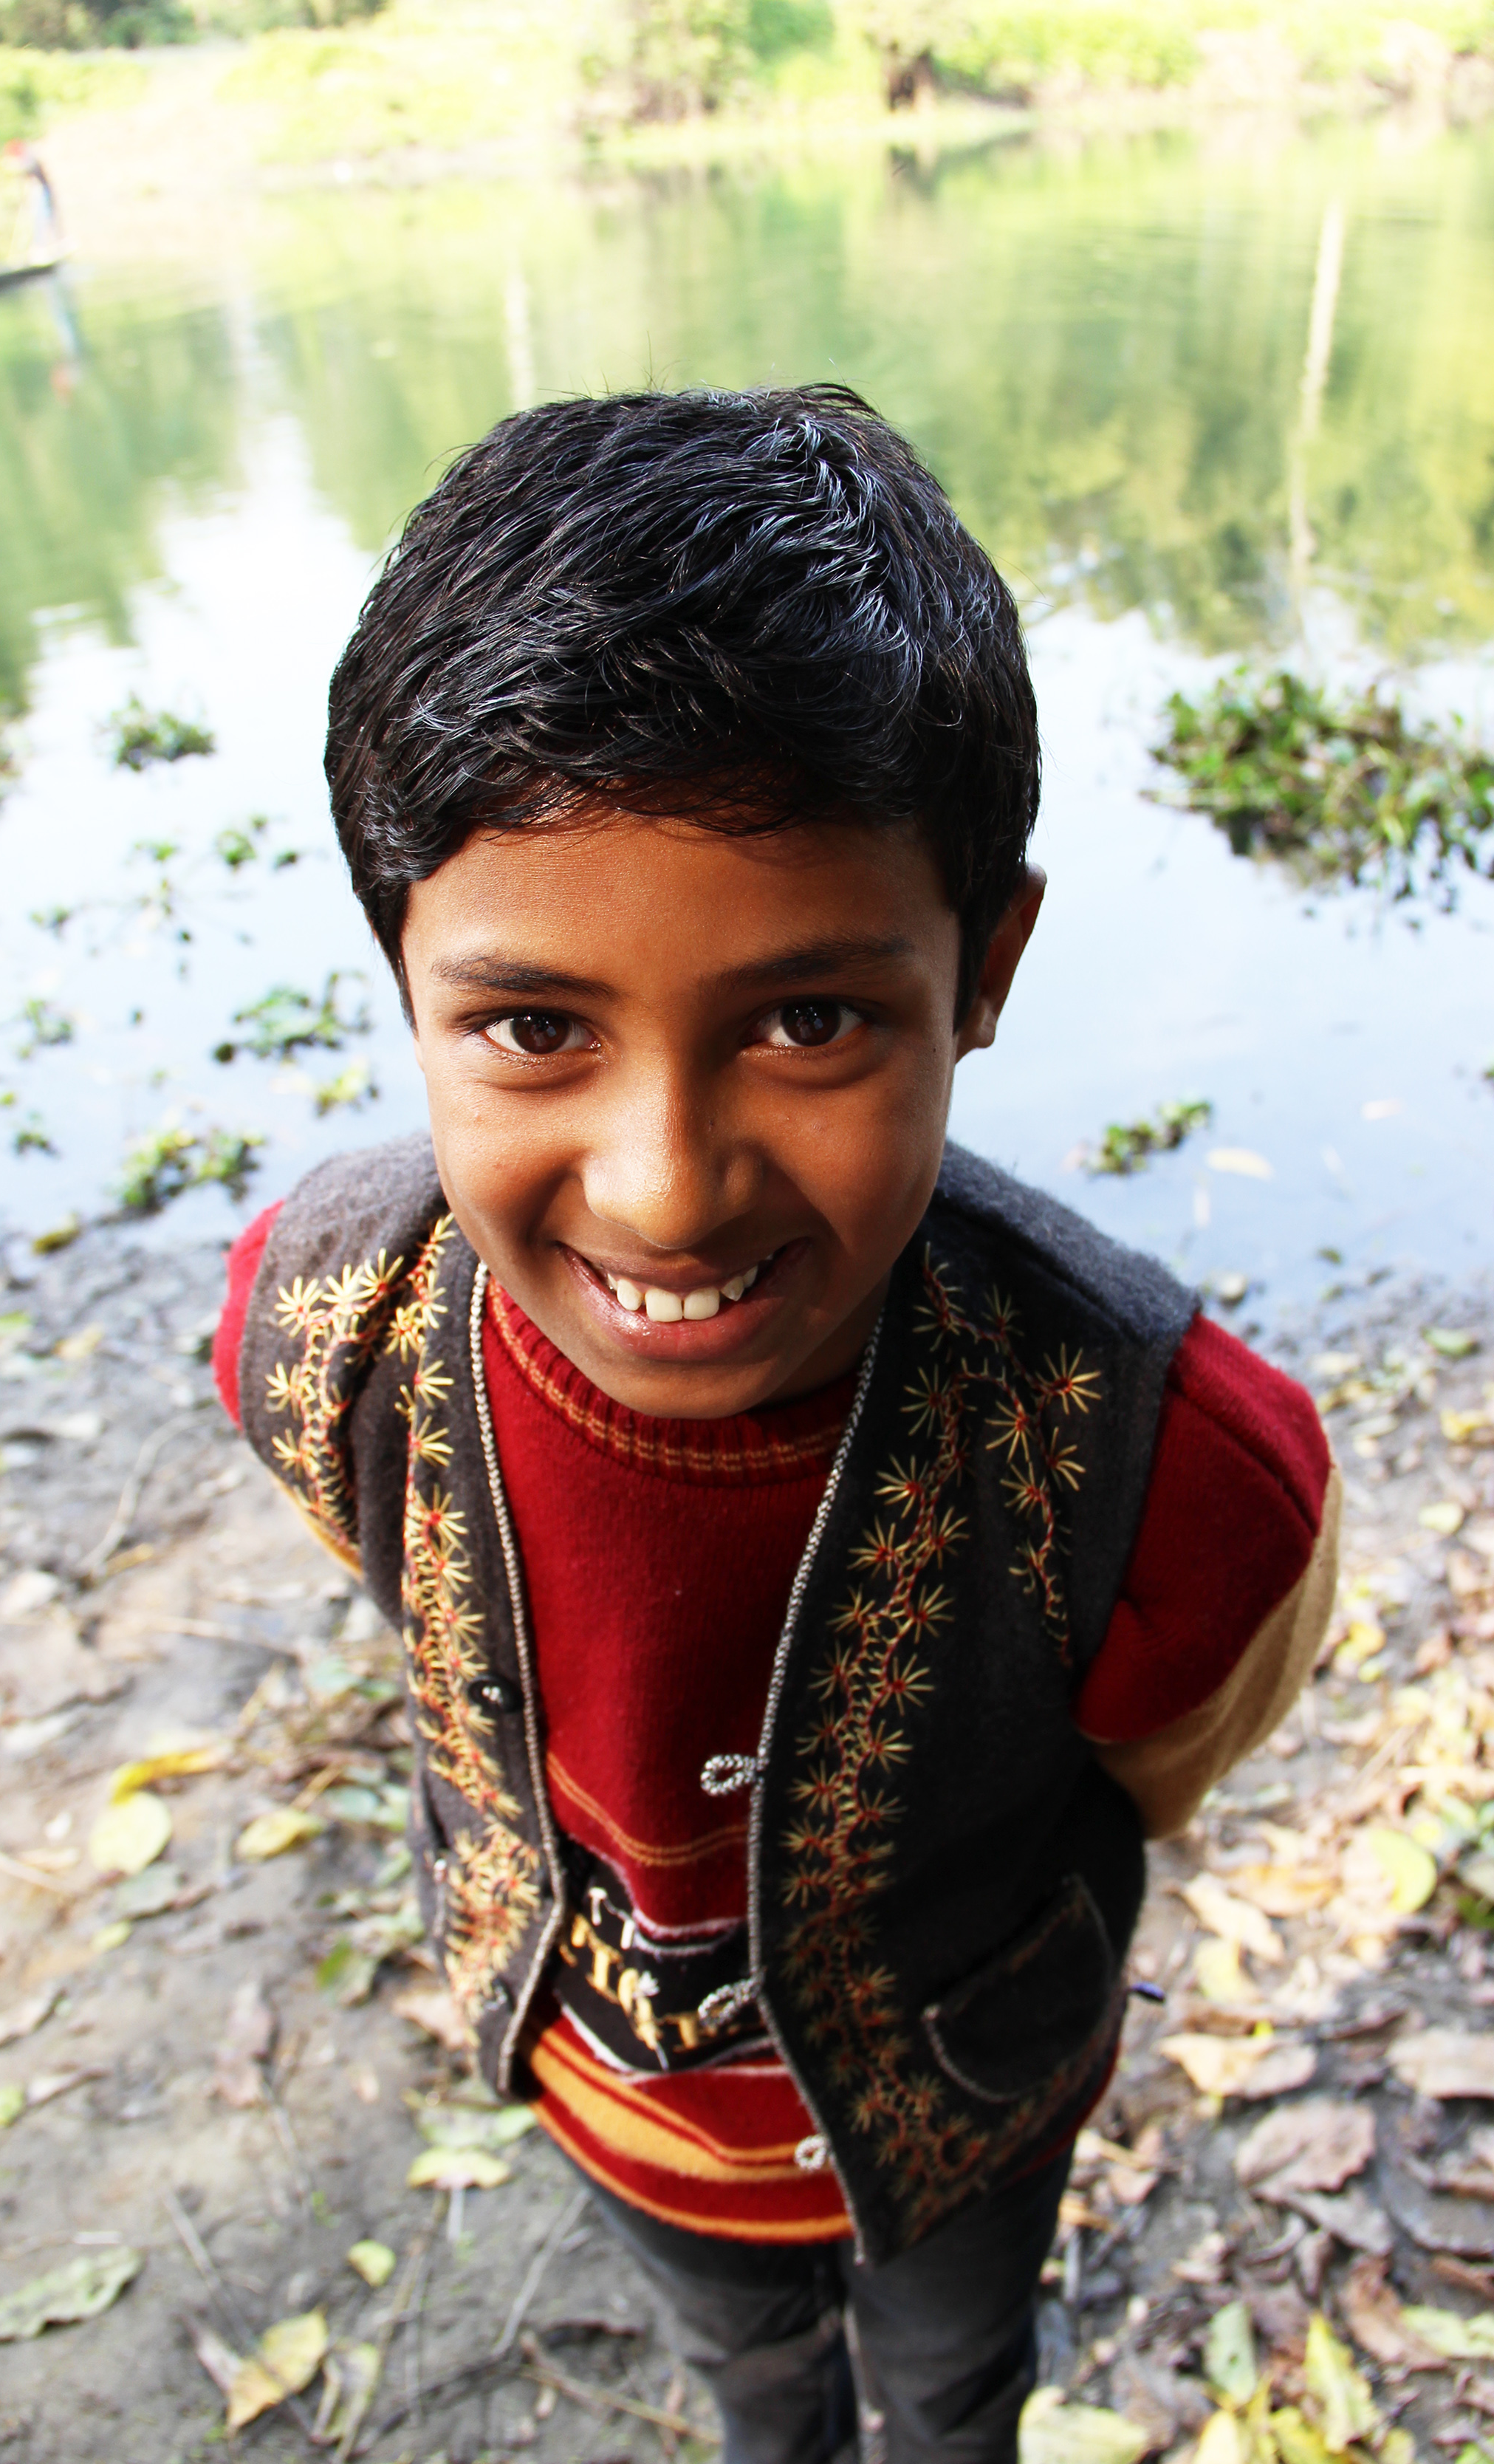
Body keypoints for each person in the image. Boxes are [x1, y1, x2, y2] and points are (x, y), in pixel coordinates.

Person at [213, 386, 1338, 2464]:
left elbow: (1163, 1750)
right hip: (604, 2089)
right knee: (750, 2382)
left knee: (950, 2380)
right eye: (532, 1027)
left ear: (980, 964)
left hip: (964, 2094)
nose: (660, 1186)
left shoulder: (1160, 1463)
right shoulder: (331, 1326)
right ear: (400, 972)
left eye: (809, 1020)